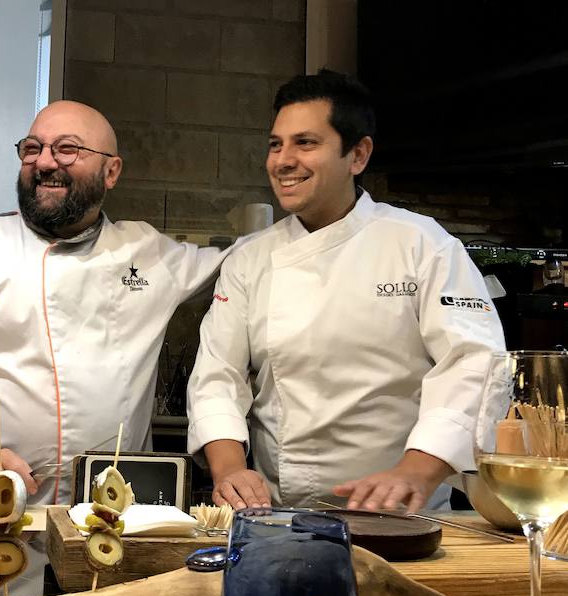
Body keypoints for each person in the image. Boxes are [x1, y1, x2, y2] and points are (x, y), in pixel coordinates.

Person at [186, 70, 505, 512]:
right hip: (278, 516)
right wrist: (230, 471)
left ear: (358, 155)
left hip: (402, 517)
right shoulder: (250, 259)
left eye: (306, 143)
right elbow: (217, 375)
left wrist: (415, 472)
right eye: (276, 144)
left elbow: (474, 364)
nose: (283, 159)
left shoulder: (421, 244)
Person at [0, 100, 238, 506]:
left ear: (111, 172)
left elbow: (246, 258)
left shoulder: (146, 251)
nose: (44, 162)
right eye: (32, 148)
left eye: (67, 149)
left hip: (115, 510)